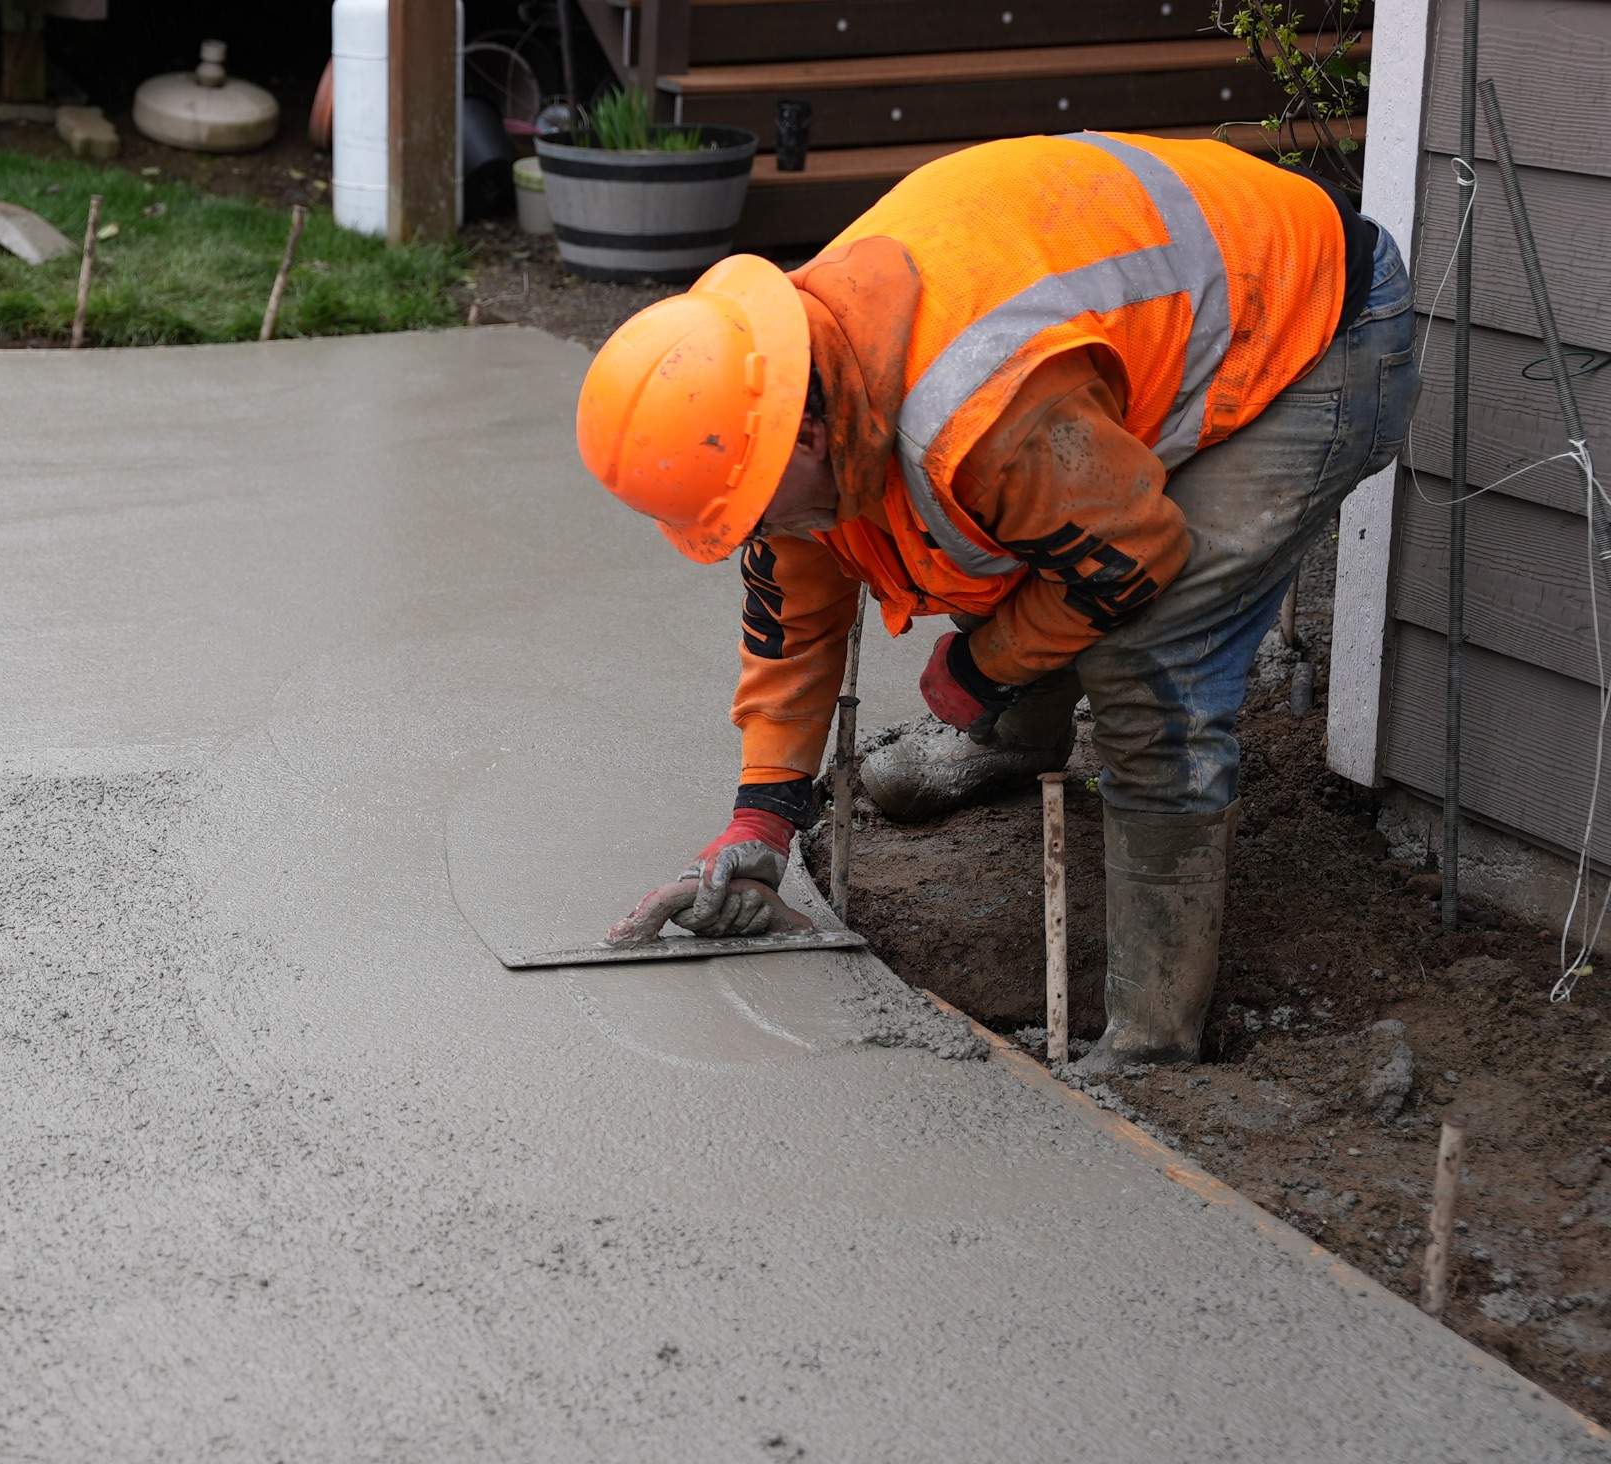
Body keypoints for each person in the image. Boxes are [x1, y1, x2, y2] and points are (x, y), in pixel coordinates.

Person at [574, 133, 1414, 1073]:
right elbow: (793, 613)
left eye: (754, 513)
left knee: (1146, 656)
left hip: (1314, 332)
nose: (757, 534)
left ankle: (1153, 1038)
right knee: (975, 531)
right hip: (1110, 362)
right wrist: (762, 815)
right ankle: (1018, 741)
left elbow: (1131, 560)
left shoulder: (974, 418)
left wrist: (982, 666)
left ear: (801, 437)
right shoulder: (783, 380)